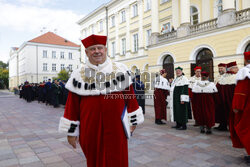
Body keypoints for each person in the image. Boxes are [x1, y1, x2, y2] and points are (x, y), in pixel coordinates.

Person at [58, 34, 144, 167]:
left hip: (117, 127)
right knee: (94, 160)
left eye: (100, 48)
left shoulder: (120, 69)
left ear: (105, 50)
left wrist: (134, 121)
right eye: (92, 49)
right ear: (86, 52)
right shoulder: (78, 74)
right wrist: (71, 132)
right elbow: (71, 106)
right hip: (90, 128)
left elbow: (131, 98)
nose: (97, 51)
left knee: (118, 159)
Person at [230, 51, 250, 165]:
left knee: (245, 130)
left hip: (247, 107)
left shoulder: (245, 72)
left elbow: (240, 92)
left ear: (245, 60)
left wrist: (236, 107)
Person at [214, 63, 228, 131]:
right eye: (219, 68)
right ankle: (221, 125)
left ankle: (225, 125)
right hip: (218, 97)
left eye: (221, 68)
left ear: (225, 68)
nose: (220, 70)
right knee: (219, 111)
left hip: (224, 97)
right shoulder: (218, 76)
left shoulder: (227, 76)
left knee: (225, 111)